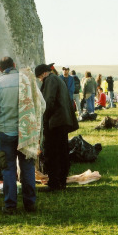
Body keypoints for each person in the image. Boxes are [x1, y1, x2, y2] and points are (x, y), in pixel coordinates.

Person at [0, 56, 45, 214]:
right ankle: (30, 204)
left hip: (6, 133)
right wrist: (32, 121)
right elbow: (42, 105)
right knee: (27, 168)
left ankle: (10, 205)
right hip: (27, 133)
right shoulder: (27, 81)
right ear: (14, 65)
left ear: (0, 69)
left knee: (9, 169)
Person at [35, 63, 78, 191]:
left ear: (43, 74)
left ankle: (54, 183)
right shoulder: (58, 79)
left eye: (39, 78)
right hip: (63, 122)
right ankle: (62, 181)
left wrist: (44, 118)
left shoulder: (50, 80)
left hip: (55, 122)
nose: (40, 80)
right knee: (62, 152)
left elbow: (49, 101)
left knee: (52, 153)